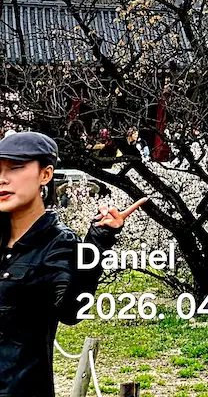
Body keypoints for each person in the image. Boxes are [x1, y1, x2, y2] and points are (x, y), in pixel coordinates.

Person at [0, 131, 146, 397]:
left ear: (45, 175)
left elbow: (71, 311)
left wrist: (96, 244)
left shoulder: (58, 243)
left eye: (17, 168)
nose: (3, 179)